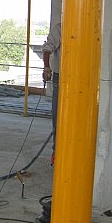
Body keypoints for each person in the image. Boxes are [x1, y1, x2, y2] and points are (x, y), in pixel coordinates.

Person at [42, 21, 61, 166]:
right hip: (61, 78)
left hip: (84, 79)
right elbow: (47, 48)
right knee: (58, 117)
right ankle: (57, 153)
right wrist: (47, 68)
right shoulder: (61, 28)